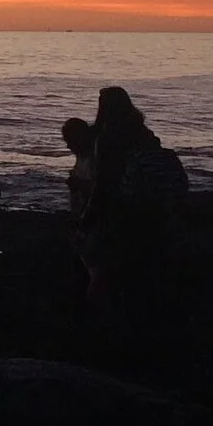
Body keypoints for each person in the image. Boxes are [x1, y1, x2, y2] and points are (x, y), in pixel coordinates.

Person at [75, 85, 186, 339]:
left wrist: (87, 216)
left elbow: (103, 183)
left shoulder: (107, 138)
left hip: (122, 210)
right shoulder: (143, 133)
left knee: (103, 272)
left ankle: (103, 328)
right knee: (144, 275)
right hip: (154, 214)